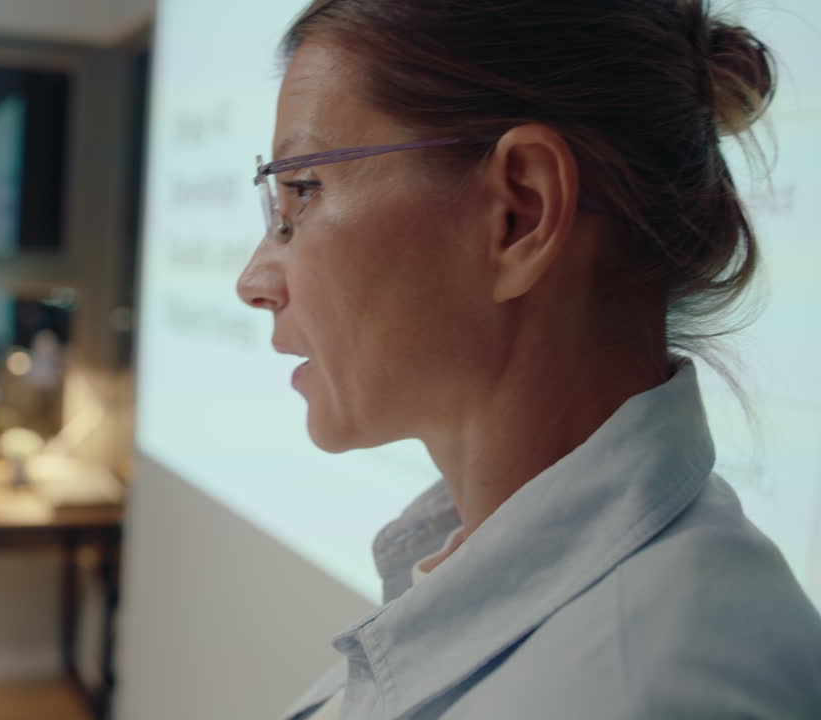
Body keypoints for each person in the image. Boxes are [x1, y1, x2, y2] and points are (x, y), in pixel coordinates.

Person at [235, 1, 821, 718]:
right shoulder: (520, 583)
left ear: (522, 212)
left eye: (302, 190)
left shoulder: (656, 691)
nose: (254, 283)